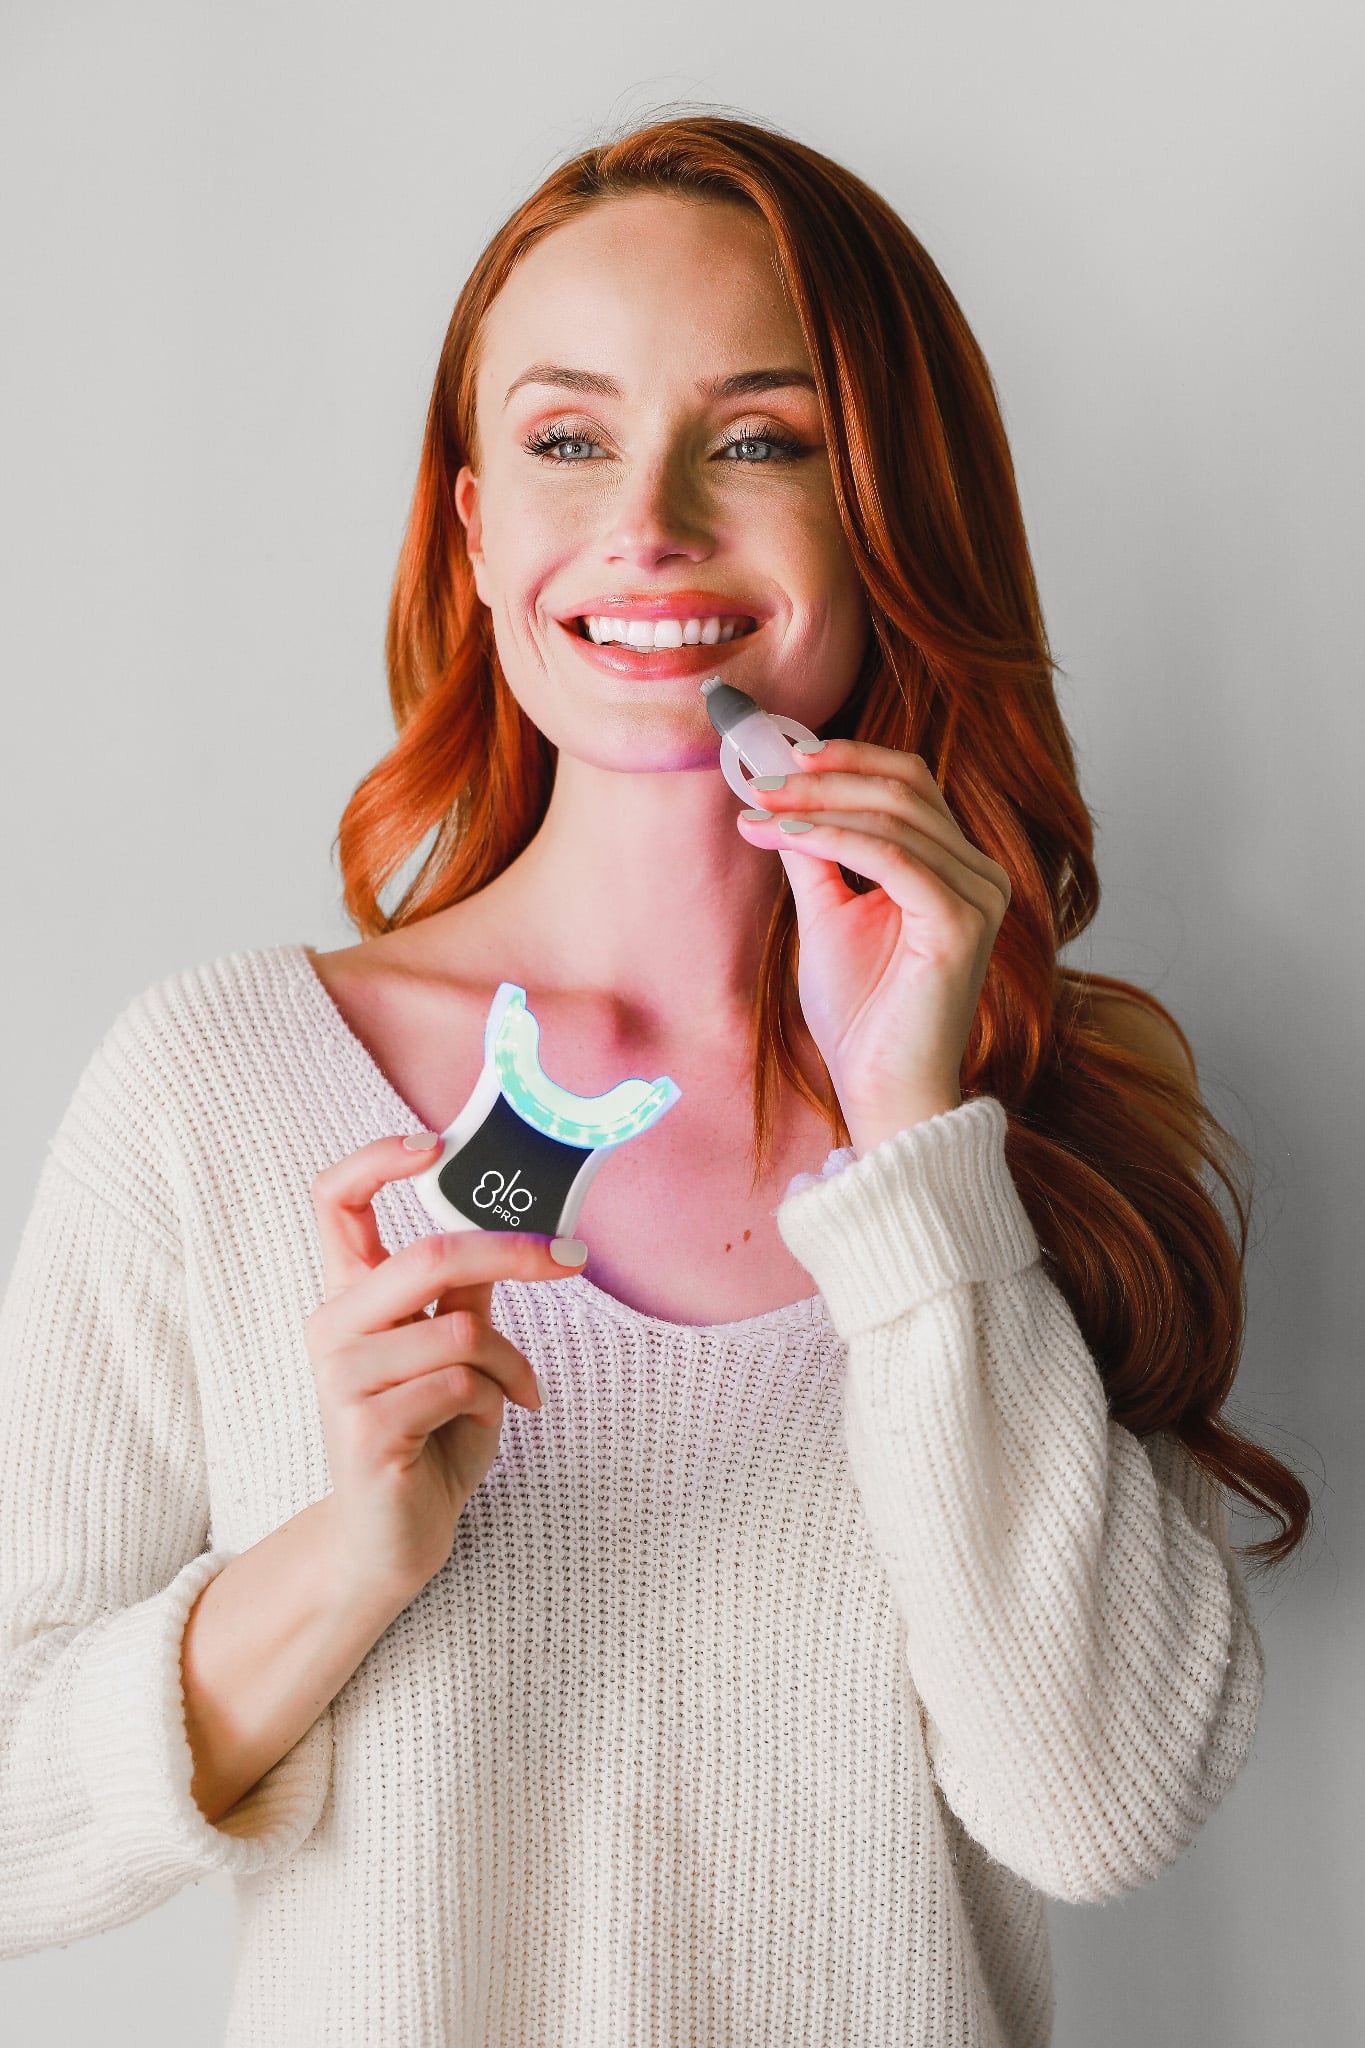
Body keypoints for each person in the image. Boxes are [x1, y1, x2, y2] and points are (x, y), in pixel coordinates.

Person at [0, 110, 1305, 2046]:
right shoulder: (214, 1086)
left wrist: (917, 1150)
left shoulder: (1046, 1095)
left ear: (886, 507)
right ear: (470, 528)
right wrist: (343, 1556)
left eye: (759, 436)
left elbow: (1097, 1802)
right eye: (564, 439)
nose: (651, 523)